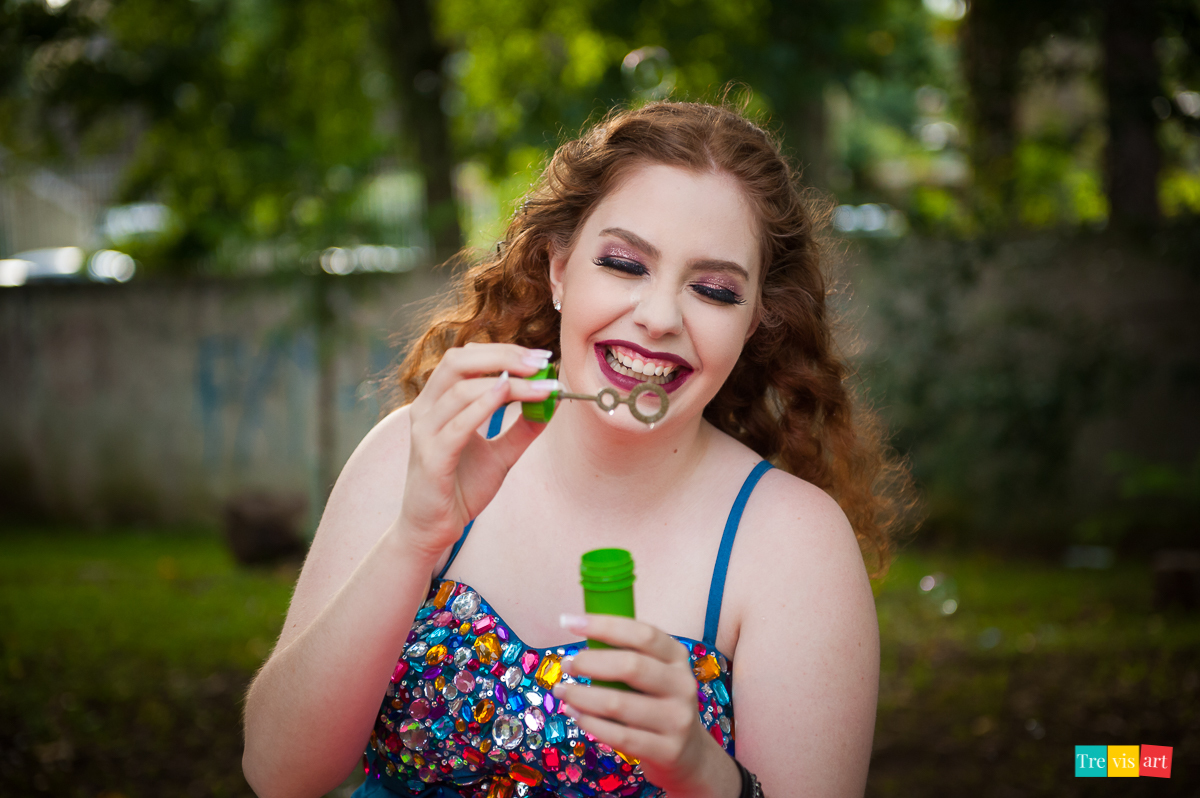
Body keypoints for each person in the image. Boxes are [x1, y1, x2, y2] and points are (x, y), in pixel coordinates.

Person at [242, 100, 910, 798]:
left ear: (756, 321)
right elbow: (278, 774)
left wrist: (702, 773)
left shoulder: (793, 543)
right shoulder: (413, 457)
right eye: (625, 264)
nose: (658, 318)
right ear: (558, 267)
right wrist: (416, 538)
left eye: (713, 289)